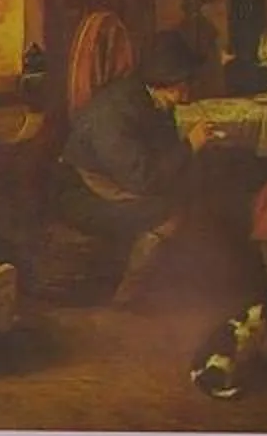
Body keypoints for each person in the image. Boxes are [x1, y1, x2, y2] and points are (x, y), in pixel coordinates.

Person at [56, 32, 198, 303]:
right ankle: (129, 293)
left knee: (186, 194)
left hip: (120, 183)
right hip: (83, 193)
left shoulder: (151, 101)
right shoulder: (115, 112)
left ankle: (155, 284)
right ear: (161, 82)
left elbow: (155, 161)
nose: (186, 95)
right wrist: (190, 146)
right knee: (169, 211)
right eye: (181, 87)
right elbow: (142, 179)